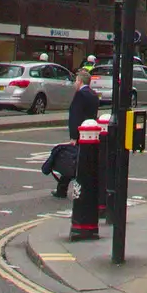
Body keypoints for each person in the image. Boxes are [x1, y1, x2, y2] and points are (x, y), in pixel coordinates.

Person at [48, 68, 100, 198]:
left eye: (76, 81)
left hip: (80, 134)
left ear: (81, 81)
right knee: (79, 162)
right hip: (90, 134)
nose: (75, 83)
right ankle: (64, 189)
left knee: (71, 162)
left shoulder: (80, 95)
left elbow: (75, 116)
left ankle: (62, 190)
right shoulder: (93, 95)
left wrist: (74, 136)